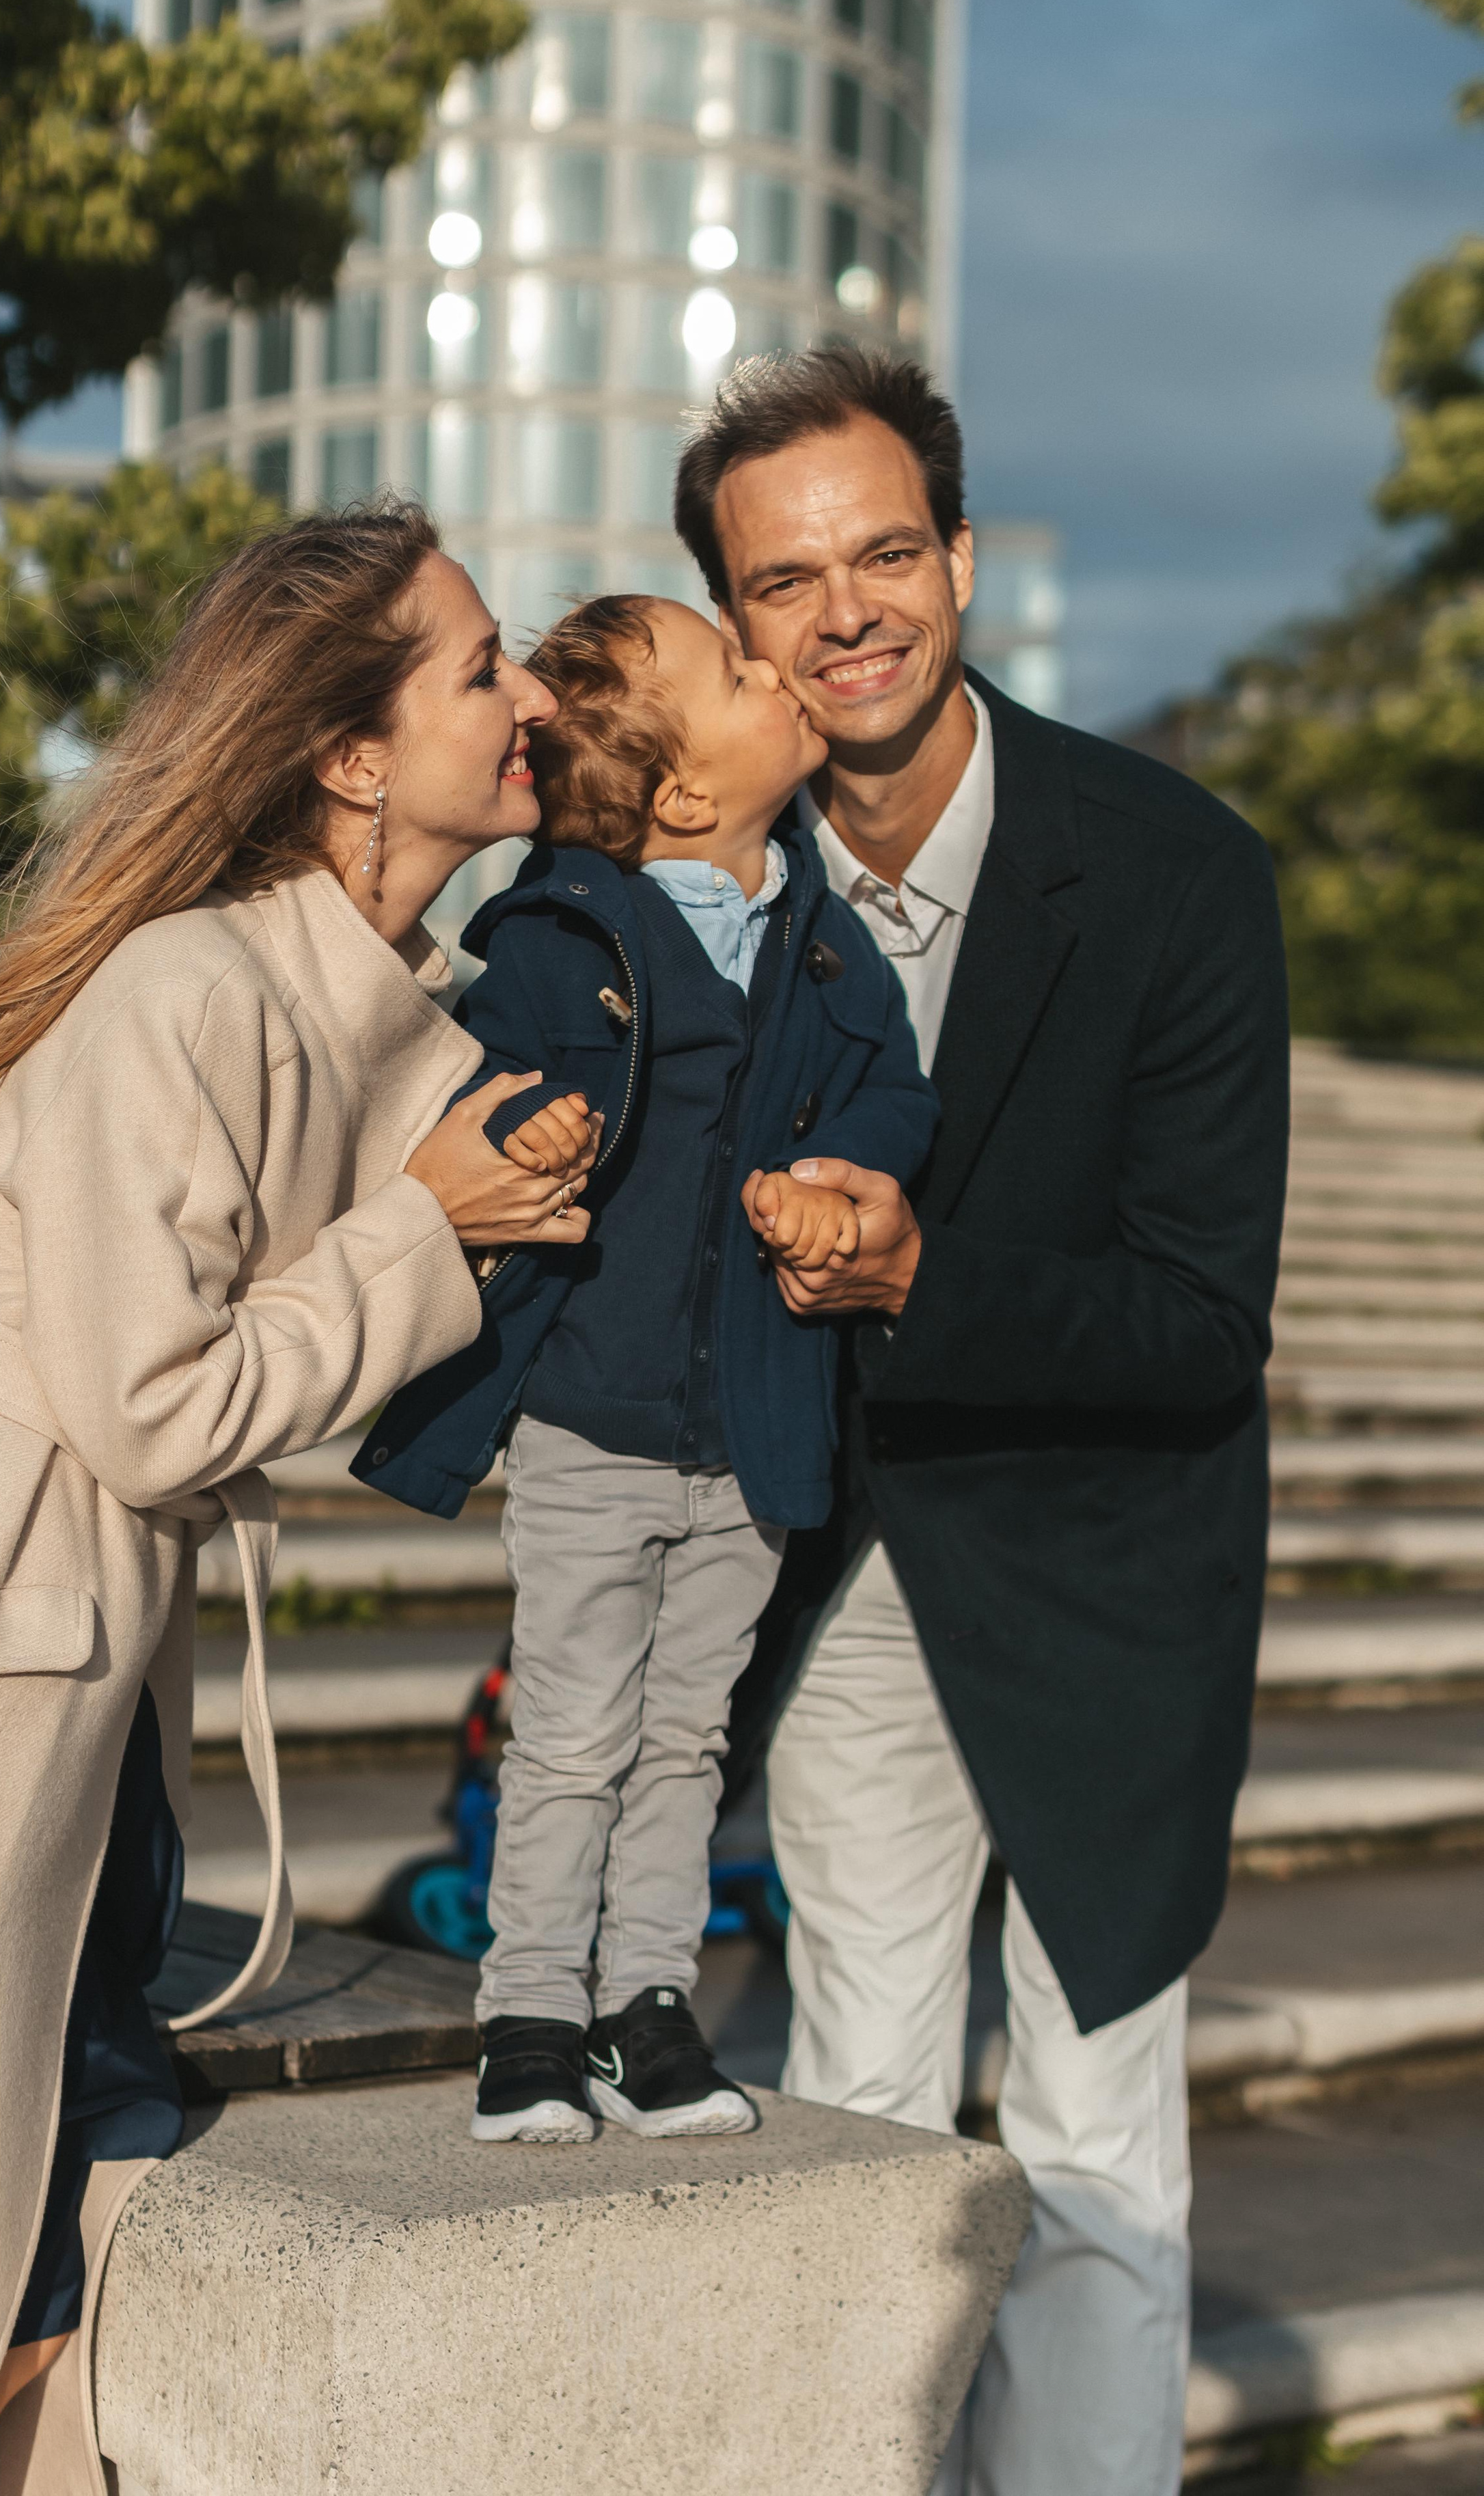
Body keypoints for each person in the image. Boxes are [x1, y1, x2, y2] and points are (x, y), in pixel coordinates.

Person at [0, 501, 602, 2496]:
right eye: (484, 666)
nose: (532, 694)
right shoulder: (188, 991)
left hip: (45, 1648)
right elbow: (153, 1404)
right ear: (351, 751)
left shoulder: (375, 1009)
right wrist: (419, 1232)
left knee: (34, 2251)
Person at [671, 346, 1289, 2496]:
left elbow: (1205, 1325)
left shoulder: (1180, 869)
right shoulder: (708, 895)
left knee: (1099, 2144)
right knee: (855, 2110)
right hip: (848, 1576)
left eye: (881, 553)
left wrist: (924, 1278)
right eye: (783, 579)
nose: (843, 611)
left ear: (952, 559)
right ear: (732, 625)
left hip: (1116, 1579)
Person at [358, 594, 939, 2143]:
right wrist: (526, 1123)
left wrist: (841, 1170)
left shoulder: (825, 947)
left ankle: (645, 2003)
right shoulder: (559, 937)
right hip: (592, 1424)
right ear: (682, 795)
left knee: (688, 1734)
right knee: (566, 1729)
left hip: (750, 1429)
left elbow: (893, 1097)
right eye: (740, 670)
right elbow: (468, 1097)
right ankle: (531, 2013)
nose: (778, 670)